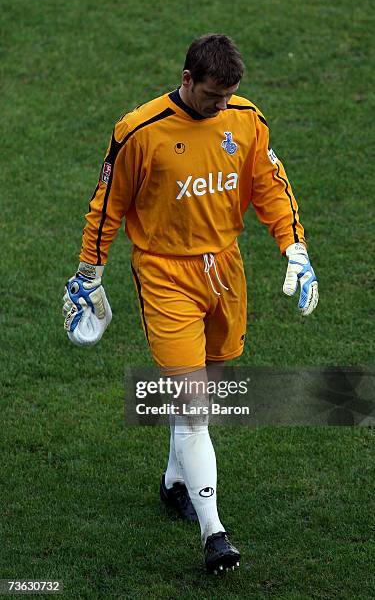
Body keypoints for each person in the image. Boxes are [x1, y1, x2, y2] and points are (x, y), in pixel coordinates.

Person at [62, 34, 319, 575]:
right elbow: (107, 206)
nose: (219, 106)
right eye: (210, 97)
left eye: (227, 97)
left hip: (224, 268)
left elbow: (270, 185)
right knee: (194, 407)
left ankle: (174, 482)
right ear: (186, 80)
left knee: (211, 380)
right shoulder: (139, 131)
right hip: (163, 274)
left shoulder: (245, 118)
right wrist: (89, 272)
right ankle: (214, 532)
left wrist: (294, 246)